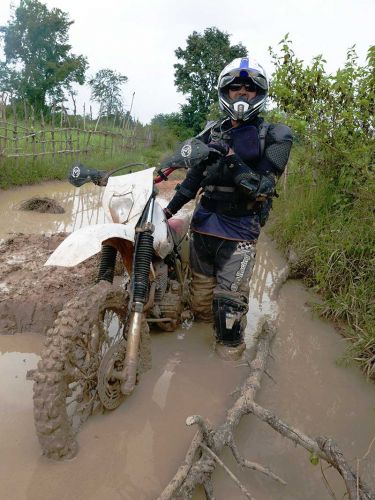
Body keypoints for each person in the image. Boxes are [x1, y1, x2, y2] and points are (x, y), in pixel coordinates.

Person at [164, 57, 293, 360]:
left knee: (228, 312)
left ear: (259, 94)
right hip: (203, 227)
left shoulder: (276, 135)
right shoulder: (210, 133)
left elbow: (262, 188)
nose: (242, 94)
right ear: (226, 92)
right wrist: (169, 210)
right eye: (235, 88)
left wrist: (231, 156)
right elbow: (191, 180)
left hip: (240, 233)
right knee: (200, 307)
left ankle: (227, 363)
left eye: (249, 89)